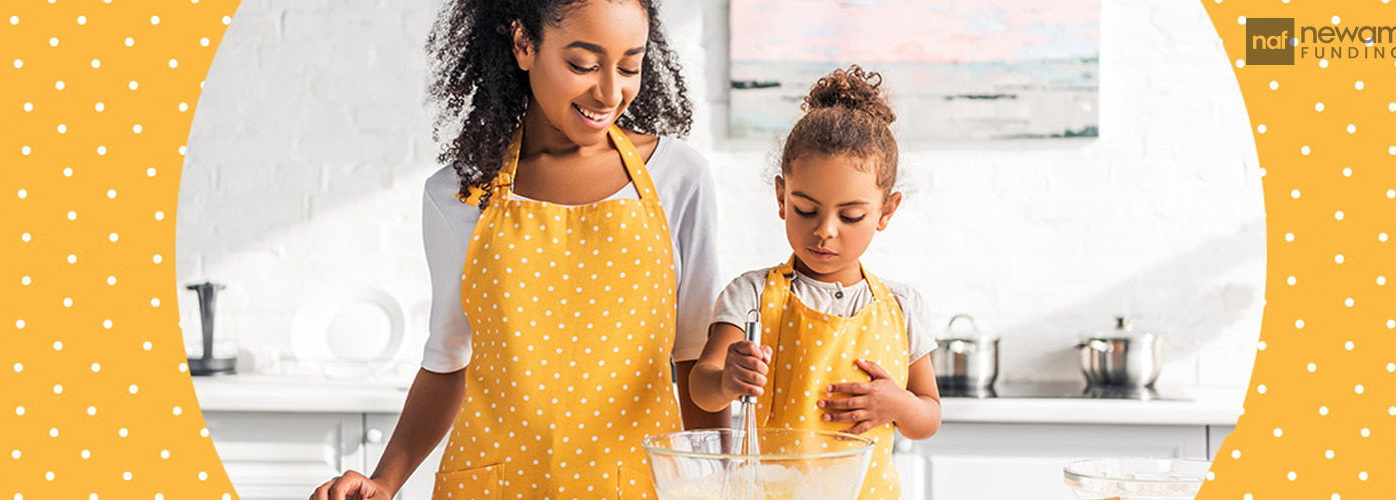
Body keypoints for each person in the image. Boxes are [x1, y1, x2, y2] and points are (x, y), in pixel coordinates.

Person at [311, 1, 722, 498]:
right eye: (583, 65)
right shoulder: (459, 196)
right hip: (491, 485)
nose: (611, 92)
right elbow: (447, 363)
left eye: (630, 66)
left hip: (633, 485)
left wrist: (730, 481)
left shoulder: (679, 179)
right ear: (524, 44)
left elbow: (696, 361)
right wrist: (384, 480)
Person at [688, 65, 941, 500]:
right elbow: (701, 387)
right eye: (806, 209)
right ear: (782, 197)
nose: (825, 230)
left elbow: (928, 417)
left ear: (886, 211)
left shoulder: (902, 306)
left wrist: (898, 405)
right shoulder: (750, 295)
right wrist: (727, 379)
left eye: (851, 215)